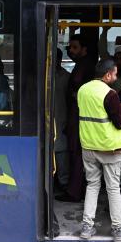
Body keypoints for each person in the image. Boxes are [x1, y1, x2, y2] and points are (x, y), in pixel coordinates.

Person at [77, 59, 121, 242]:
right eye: (115, 73)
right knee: (113, 188)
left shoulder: (83, 90)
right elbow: (120, 121)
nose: (116, 77)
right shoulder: (109, 94)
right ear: (108, 75)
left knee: (92, 185)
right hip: (109, 148)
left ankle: (87, 227)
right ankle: (118, 229)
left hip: (88, 146)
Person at [60, 34, 96, 202]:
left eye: (75, 47)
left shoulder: (85, 66)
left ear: (84, 49)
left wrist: (76, 95)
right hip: (75, 114)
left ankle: (75, 191)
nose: (71, 51)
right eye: (69, 48)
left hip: (79, 115)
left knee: (77, 154)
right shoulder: (81, 65)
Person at [54, 48, 71, 193]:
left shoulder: (66, 77)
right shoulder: (41, 76)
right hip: (47, 120)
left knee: (62, 154)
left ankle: (63, 183)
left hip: (62, 119)